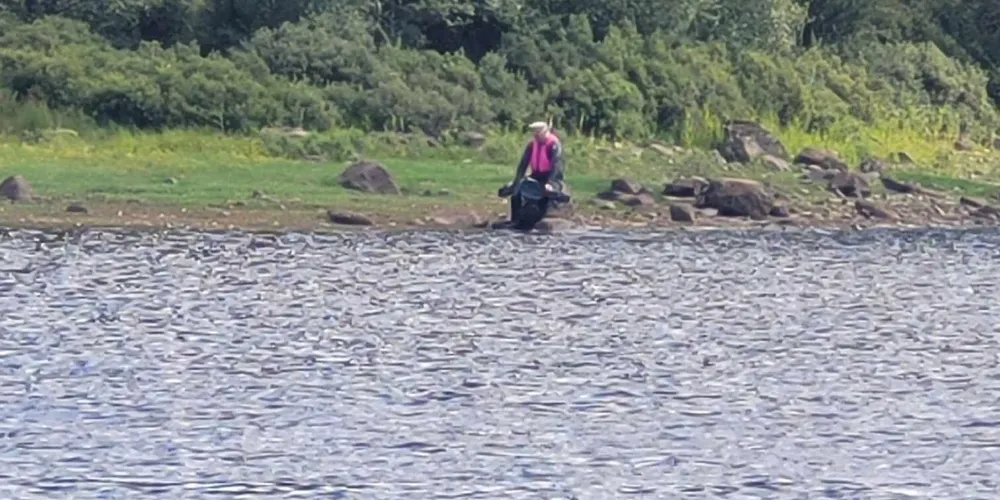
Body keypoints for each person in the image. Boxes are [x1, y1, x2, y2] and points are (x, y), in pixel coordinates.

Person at [507, 120, 565, 221]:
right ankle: (515, 220)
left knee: (546, 194)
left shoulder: (554, 144)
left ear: (545, 132)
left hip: (552, 177)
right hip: (536, 175)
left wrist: (550, 183)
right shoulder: (532, 145)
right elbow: (523, 164)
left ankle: (546, 216)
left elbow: (556, 165)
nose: (536, 136)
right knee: (516, 194)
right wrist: (517, 181)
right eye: (534, 133)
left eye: (538, 133)